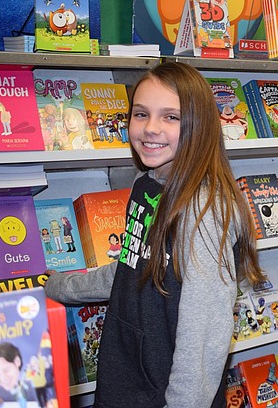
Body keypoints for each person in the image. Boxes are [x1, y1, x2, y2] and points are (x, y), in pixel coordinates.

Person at [44, 61, 264, 407]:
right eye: (141, 114)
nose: (150, 128)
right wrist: (59, 287)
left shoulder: (203, 208)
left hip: (166, 394)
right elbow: (130, 267)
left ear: (199, 126)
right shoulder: (146, 183)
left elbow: (203, 333)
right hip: (124, 377)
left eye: (170, 117)